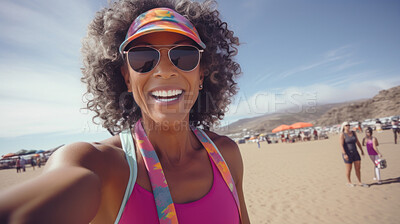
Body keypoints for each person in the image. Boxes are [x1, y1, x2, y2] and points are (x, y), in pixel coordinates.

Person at [0, 1, 250, 223]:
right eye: (143, 58)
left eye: (184, 56)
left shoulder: (227, 155)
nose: (164, 70)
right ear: (127, 78)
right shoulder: (102, 165)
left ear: (201, 74)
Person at [340, 121, 368, 187]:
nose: (348, 126)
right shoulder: (342, 134)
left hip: (355, 152)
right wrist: (344, 154)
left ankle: (359, 182)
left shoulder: (353, 133)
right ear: (343, 127)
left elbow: (357, 142)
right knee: (349, 169)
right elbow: (341, 145)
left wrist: (361, 150)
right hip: (347, 154)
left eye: (348, 125)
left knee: (358, 168)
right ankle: (349, 182)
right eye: (346, 125)